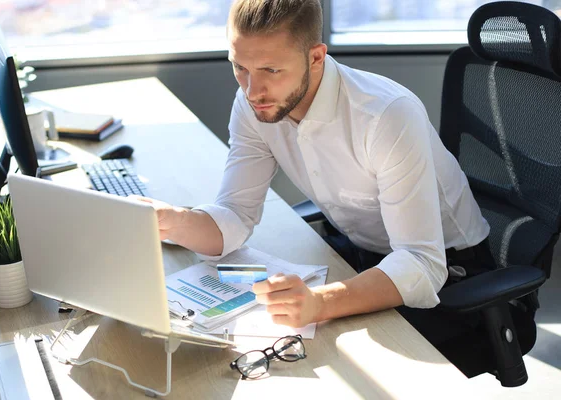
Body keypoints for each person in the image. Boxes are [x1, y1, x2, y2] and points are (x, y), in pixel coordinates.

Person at [134, 0, 493, 349]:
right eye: (240, 67)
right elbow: (235, 217)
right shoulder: (253, 103)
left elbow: (422, 262)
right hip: (362, 252)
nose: (251, 90)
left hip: (453, 273)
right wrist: (175, 222)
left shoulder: (386, 115)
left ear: (316, 57)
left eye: (271, 70)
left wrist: (320, 303)